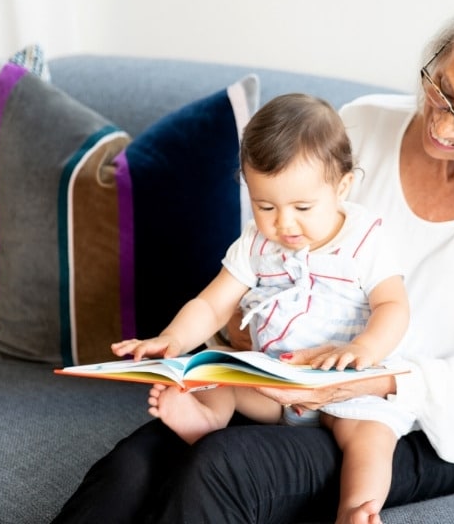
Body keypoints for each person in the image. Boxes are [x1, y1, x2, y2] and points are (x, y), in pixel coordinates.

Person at [54, 0, 454, 524]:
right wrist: (242, 340)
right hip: (291, 380)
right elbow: (263, 262)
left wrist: (360, 382)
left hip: (416, 423)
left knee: (222, 468)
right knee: (132, 469)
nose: (442, 125)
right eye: (443, 89)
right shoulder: (359, 127)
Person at [109, 92, 415, 523]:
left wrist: (365, 350)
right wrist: (171, 339)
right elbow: (213, 305)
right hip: (274, 387)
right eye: (265, 205)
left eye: (302, 208)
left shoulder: (365, 239)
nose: (284, 224)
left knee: (369, 436)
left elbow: (393, 305)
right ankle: (205, 423)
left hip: (347, 385)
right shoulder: (256, 243)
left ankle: (356, 510)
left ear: (342, 186)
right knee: (218, 370)